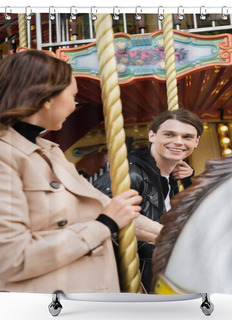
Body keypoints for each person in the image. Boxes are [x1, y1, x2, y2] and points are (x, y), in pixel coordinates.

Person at [0, 49, 159, 294]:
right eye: (72, 96)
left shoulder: (51, 152)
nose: (74, 106)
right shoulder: (6, 156)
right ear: (47, 98)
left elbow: (107, 206)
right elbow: (9, 258)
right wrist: (103, 225)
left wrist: (170, 235)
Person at [94, 109, 203, 292]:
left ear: (196, 142)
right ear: (152, 135)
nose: (178, 142)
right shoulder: (130, 173)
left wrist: (189, 177)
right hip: (135, 276)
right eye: (169, 134)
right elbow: (104, 224)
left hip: (163, 271)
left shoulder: (175, 176)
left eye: (187, 137)